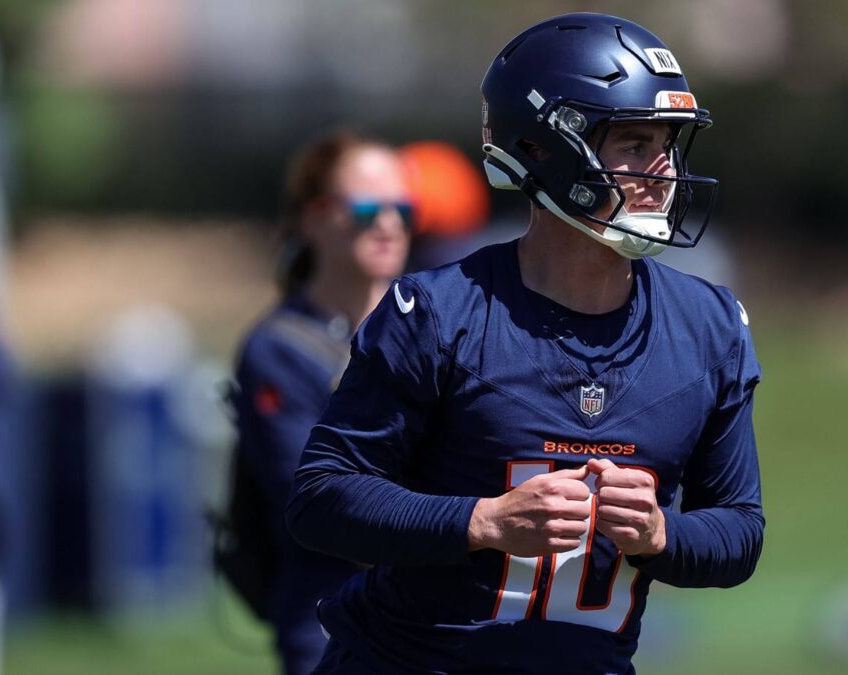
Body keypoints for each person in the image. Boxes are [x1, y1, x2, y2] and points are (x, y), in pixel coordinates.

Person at [287, 13, 764, 674]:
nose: (663, 170)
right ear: (541, 149)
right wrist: (483, 520)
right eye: (632, 142)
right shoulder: (438, 313)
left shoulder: (709, 327)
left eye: (668, 143)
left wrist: (661, 532)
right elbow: (321, 498)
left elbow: (739, 530)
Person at [230, 130, 414, 675]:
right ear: (313, 219)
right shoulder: (277, 350)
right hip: (331, 624)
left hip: (437, 618)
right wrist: (463, 529)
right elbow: (319, 505)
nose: (388, 223)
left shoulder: (439, 328)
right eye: (365, 208)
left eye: (403, 207)